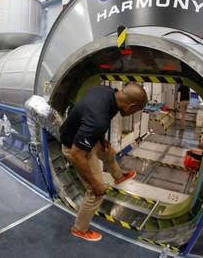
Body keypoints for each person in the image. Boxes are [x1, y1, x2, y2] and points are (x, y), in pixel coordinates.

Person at [60, 82, 148, 241]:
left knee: (109, 152)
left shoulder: (106, 92)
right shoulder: (97, 120)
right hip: (75, 148)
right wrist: (95, 184)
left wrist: (100, 138)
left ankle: (118, 176)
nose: (134, 113)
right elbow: (76, 155)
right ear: (131, 106)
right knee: (95, 193)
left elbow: (87, 113)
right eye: (136, 111)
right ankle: (79, 229)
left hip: (85, 138)